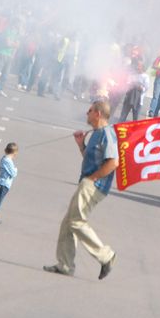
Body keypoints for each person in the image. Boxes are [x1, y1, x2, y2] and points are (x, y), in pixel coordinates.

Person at [44, 101, 119, 279]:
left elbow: (113, 162)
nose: (87, 112)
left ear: (98, 114)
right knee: (68, 223)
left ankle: (106, 256)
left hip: (94, 185)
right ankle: (65, 265)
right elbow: (91, 158)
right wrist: (80, 144)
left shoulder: (107, 134)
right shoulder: (95, 133)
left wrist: (93, 179)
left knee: (76, 221)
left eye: (90, 110)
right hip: (87, 182)